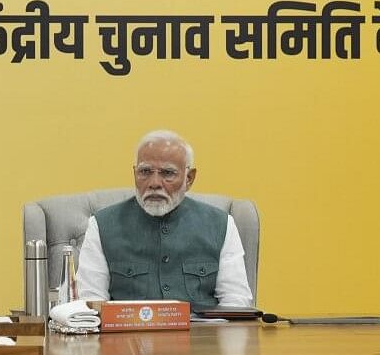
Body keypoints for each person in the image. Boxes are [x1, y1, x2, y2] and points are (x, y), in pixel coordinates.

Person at [74, 130, 253, 308]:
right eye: (145, 171)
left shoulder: (221, 225)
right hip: (129, 336)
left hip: (202, 335)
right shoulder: (102, 225)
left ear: (189, 178)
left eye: (167, 173)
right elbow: (92, 304)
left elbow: (236, 303)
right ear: (134, 173)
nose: (154, 183)